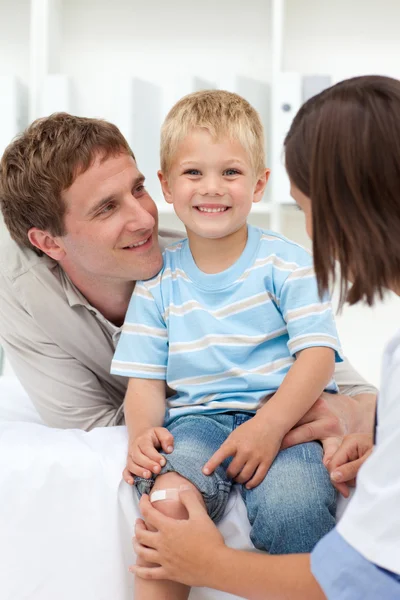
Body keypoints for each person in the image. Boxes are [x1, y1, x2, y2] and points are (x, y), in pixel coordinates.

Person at [131, 75, 400, 599]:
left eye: (304, 207)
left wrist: (272, 425)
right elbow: (144, 380)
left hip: (282, 417)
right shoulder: (160, 281)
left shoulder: (284, 263)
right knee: (164, 504)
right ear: (168, 184)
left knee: (294, 503)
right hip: (197, 423)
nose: (212, 187)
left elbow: (369, 577)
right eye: (194, 172)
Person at [0, 112, 376, 450]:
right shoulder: (21, 292)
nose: (146, 220)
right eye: (107, 208)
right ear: (49, 243)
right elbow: (94, 430)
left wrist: (341, 412)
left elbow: (354, 390)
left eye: (138, 189)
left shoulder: (202, 259)